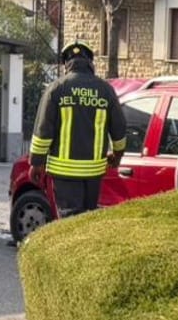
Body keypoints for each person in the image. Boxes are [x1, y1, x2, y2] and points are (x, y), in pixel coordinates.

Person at [30, 41, 127, 219]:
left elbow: (43, 131)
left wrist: (36, 163)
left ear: (66, 64)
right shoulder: (105, 90)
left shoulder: (56, 89)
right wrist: (117, 155)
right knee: (86, 221)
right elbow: (119, 130)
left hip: (63, 173)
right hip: (93, 173)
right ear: (90, 62)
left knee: (69, 221)